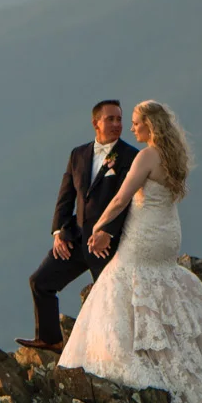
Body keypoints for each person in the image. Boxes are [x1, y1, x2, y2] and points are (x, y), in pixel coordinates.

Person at [56, 100, 202, 403]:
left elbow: (122, 197)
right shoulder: (174, 155)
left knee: (122, 277)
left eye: (137, 122)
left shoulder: (147, 156)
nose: (132, 128)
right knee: (161, 279)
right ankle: (170, 341)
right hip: (168, 233)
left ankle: (137, 351)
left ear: (151, 125)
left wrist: (99, 227)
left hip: (144, 235)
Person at [19, 99, 137, 352]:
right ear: (96, 123)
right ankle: (50, 340)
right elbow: (65, 197)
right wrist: (59, 232)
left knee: (111, 299)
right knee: (40, 282)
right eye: (110, 119)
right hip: (75, 237)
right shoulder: (78, 154)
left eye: (119, 119)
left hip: (107, 244)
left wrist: (108, 232)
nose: (117, 124)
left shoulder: (131, 157)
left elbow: (127, 202)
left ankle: (117, 350)